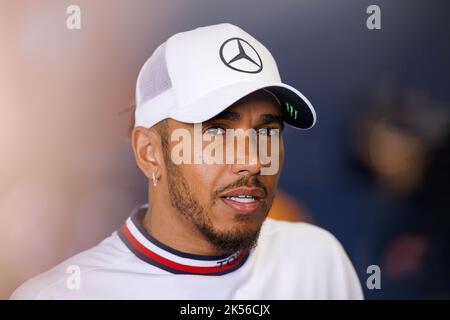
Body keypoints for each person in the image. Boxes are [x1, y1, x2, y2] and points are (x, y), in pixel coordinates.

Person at [11, 23, 363, 299]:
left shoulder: (319, 259)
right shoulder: (60, 295)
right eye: (216, 132)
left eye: (266, 132)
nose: (255, 161)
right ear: (150, 153)